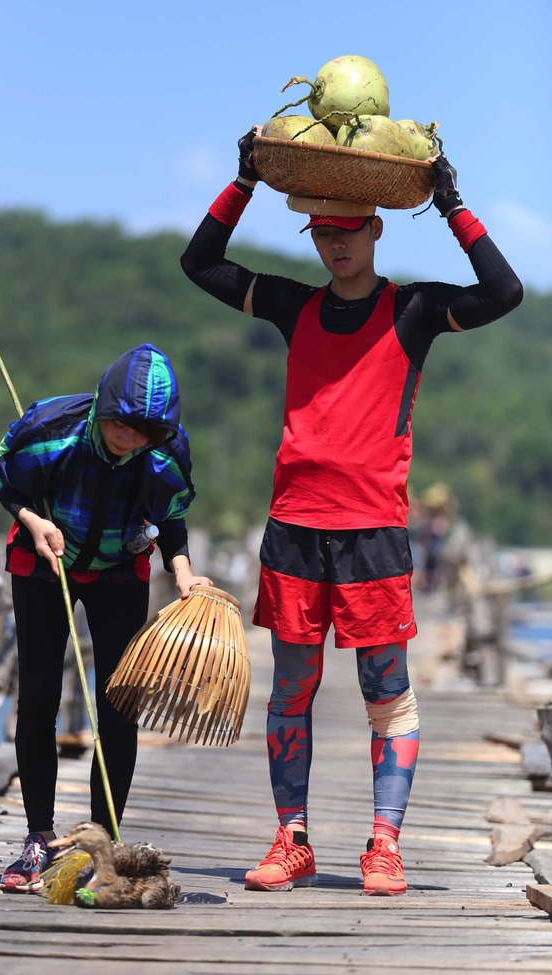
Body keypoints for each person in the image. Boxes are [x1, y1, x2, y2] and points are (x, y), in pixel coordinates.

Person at [180, 129, 523, 895]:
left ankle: (384, 843)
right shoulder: (291, 305)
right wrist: (241, 184)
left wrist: (453, 206)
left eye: (348, 230)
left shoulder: (415, 311)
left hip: (372, 534)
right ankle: (292, 838)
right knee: (291, 687)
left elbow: (505, 292)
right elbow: (199, 263)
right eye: (322, 232)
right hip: (295, 528)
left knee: (386, 690)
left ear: (375, 228)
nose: (335, 245)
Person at [0, 343, 212, 893]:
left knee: (118, 707)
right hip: (45, 564)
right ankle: (39, 839)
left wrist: (183, 574)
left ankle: (102, 847)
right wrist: (32, 521)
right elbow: (4, 480)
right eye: (121, 425)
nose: (129, 439)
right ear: (101, 406)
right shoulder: (48, 428)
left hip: (119, 574)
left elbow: (173, 517)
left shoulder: (165, 452)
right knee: (39, 696)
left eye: (144, 433)